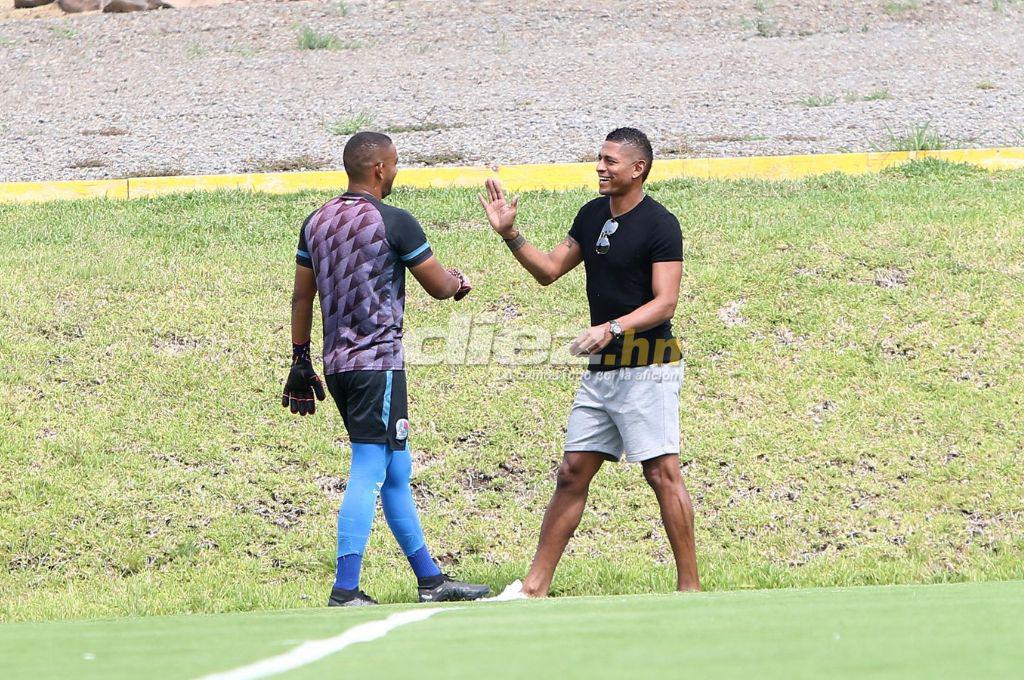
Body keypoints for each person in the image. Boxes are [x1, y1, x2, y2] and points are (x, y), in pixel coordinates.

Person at [478, 127, 700, 598]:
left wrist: (612, 328)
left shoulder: (661, 224)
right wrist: (511, 235)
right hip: (603, 374)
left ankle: (690, 589)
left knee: (662, 473)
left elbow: (666, 303)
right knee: (572, 472)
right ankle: (534, 587)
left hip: (649, 365)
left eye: (611, 161)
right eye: (599, 158)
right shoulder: (592, 215)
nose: (600, 167)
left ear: (637, 169)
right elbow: (550, 271)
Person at [283, 131, 489, 606]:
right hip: (379, 364)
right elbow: (438, 286)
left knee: (397, 467)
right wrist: (459, 282)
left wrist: (299, 358)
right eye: (394, 164)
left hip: (338, 367)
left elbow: (301, 296)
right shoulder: (395, 221)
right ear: (378, 168)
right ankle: (345, 589)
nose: (396, 172)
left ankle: (431, 581)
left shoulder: (315, 222)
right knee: (370, 464)